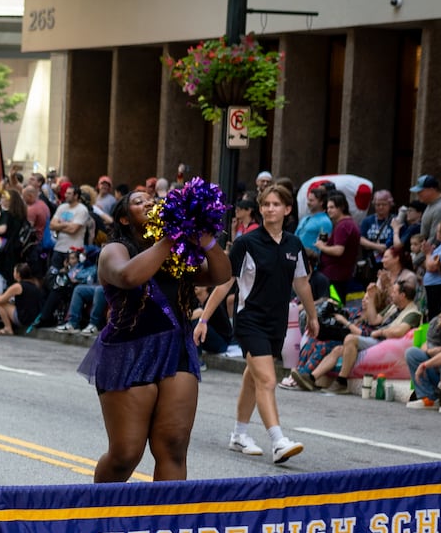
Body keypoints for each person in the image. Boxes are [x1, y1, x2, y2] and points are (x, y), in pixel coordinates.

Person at [86, 190, 231, 481]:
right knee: (126, 453)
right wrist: (170, 237)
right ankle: (98, 513)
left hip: (176, 349)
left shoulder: (179, 251)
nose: (149, 202)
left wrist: (204, 237)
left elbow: (220, 274)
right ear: (125, 218)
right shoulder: (115, 249)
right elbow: (128, 276)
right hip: (128, 350)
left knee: (173, 446)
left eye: (152, 198)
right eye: (139, 202)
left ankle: (166, 522)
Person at [207, 184, 319, 463]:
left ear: (288, 209)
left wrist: (313, 316)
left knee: (253, 375)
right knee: (267, 379)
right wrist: (204, 318)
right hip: (249, 320)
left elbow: (302, 283)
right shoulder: (247, 243)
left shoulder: (294, 245)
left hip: (277, 323)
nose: (270, 208)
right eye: (266, 204)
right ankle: (278, 440)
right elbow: (226, 283)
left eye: (276, 204)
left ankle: (239, 434)